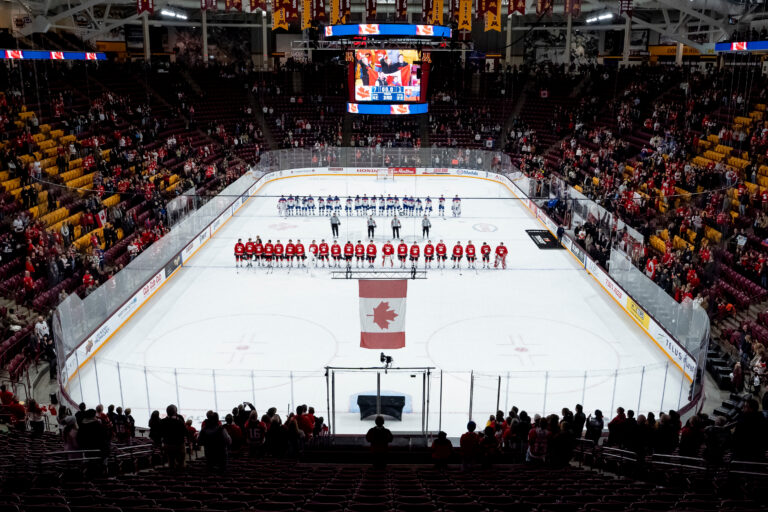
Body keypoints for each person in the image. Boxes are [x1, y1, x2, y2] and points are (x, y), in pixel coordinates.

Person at [160, 404, 187, 470]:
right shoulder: (180, 421)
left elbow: (160, 433)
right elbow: (185, 432)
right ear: (175, 412)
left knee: (171, 462)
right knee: (181, 463)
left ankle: (172, 473)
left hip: (168, 444)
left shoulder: (162, 421)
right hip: (179, 444)